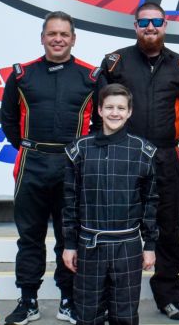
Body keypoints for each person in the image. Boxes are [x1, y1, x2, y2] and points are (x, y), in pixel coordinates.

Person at [1, 10, 102, 325]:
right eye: (52, 34)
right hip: (32, 163)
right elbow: (8, 122)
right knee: (29, 237)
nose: (58, 39)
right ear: (43, 38)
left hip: (72, 165)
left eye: (64, 34)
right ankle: (28, 300)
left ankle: (68, 301)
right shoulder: (21, 75)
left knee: (69, 237)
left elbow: (100, 124)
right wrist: (32, 148)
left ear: (73, 39)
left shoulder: (91, 76)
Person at [98, 1, 179, 320]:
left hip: (166, 157)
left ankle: (168, 295)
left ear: (166, 25)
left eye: (156, 21)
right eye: (144, 22)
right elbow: (101, 113)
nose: (150, 27)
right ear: (134, 26)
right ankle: (115, 296)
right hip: (123, 156)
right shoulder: (115, 63)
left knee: (167, 228)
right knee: (118, 228)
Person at [61, 83, 159, 325]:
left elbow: (151, 202)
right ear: (100, 111)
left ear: (130, 112)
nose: (115, 113)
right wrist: (70, 244)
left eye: (121, 108)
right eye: (110, 107)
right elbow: (70, 202)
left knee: (124, 314)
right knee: (87, 311)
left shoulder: (143, 151)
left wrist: (150, 245)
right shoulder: (79, 149)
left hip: (127, 244)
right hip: (89, 243)